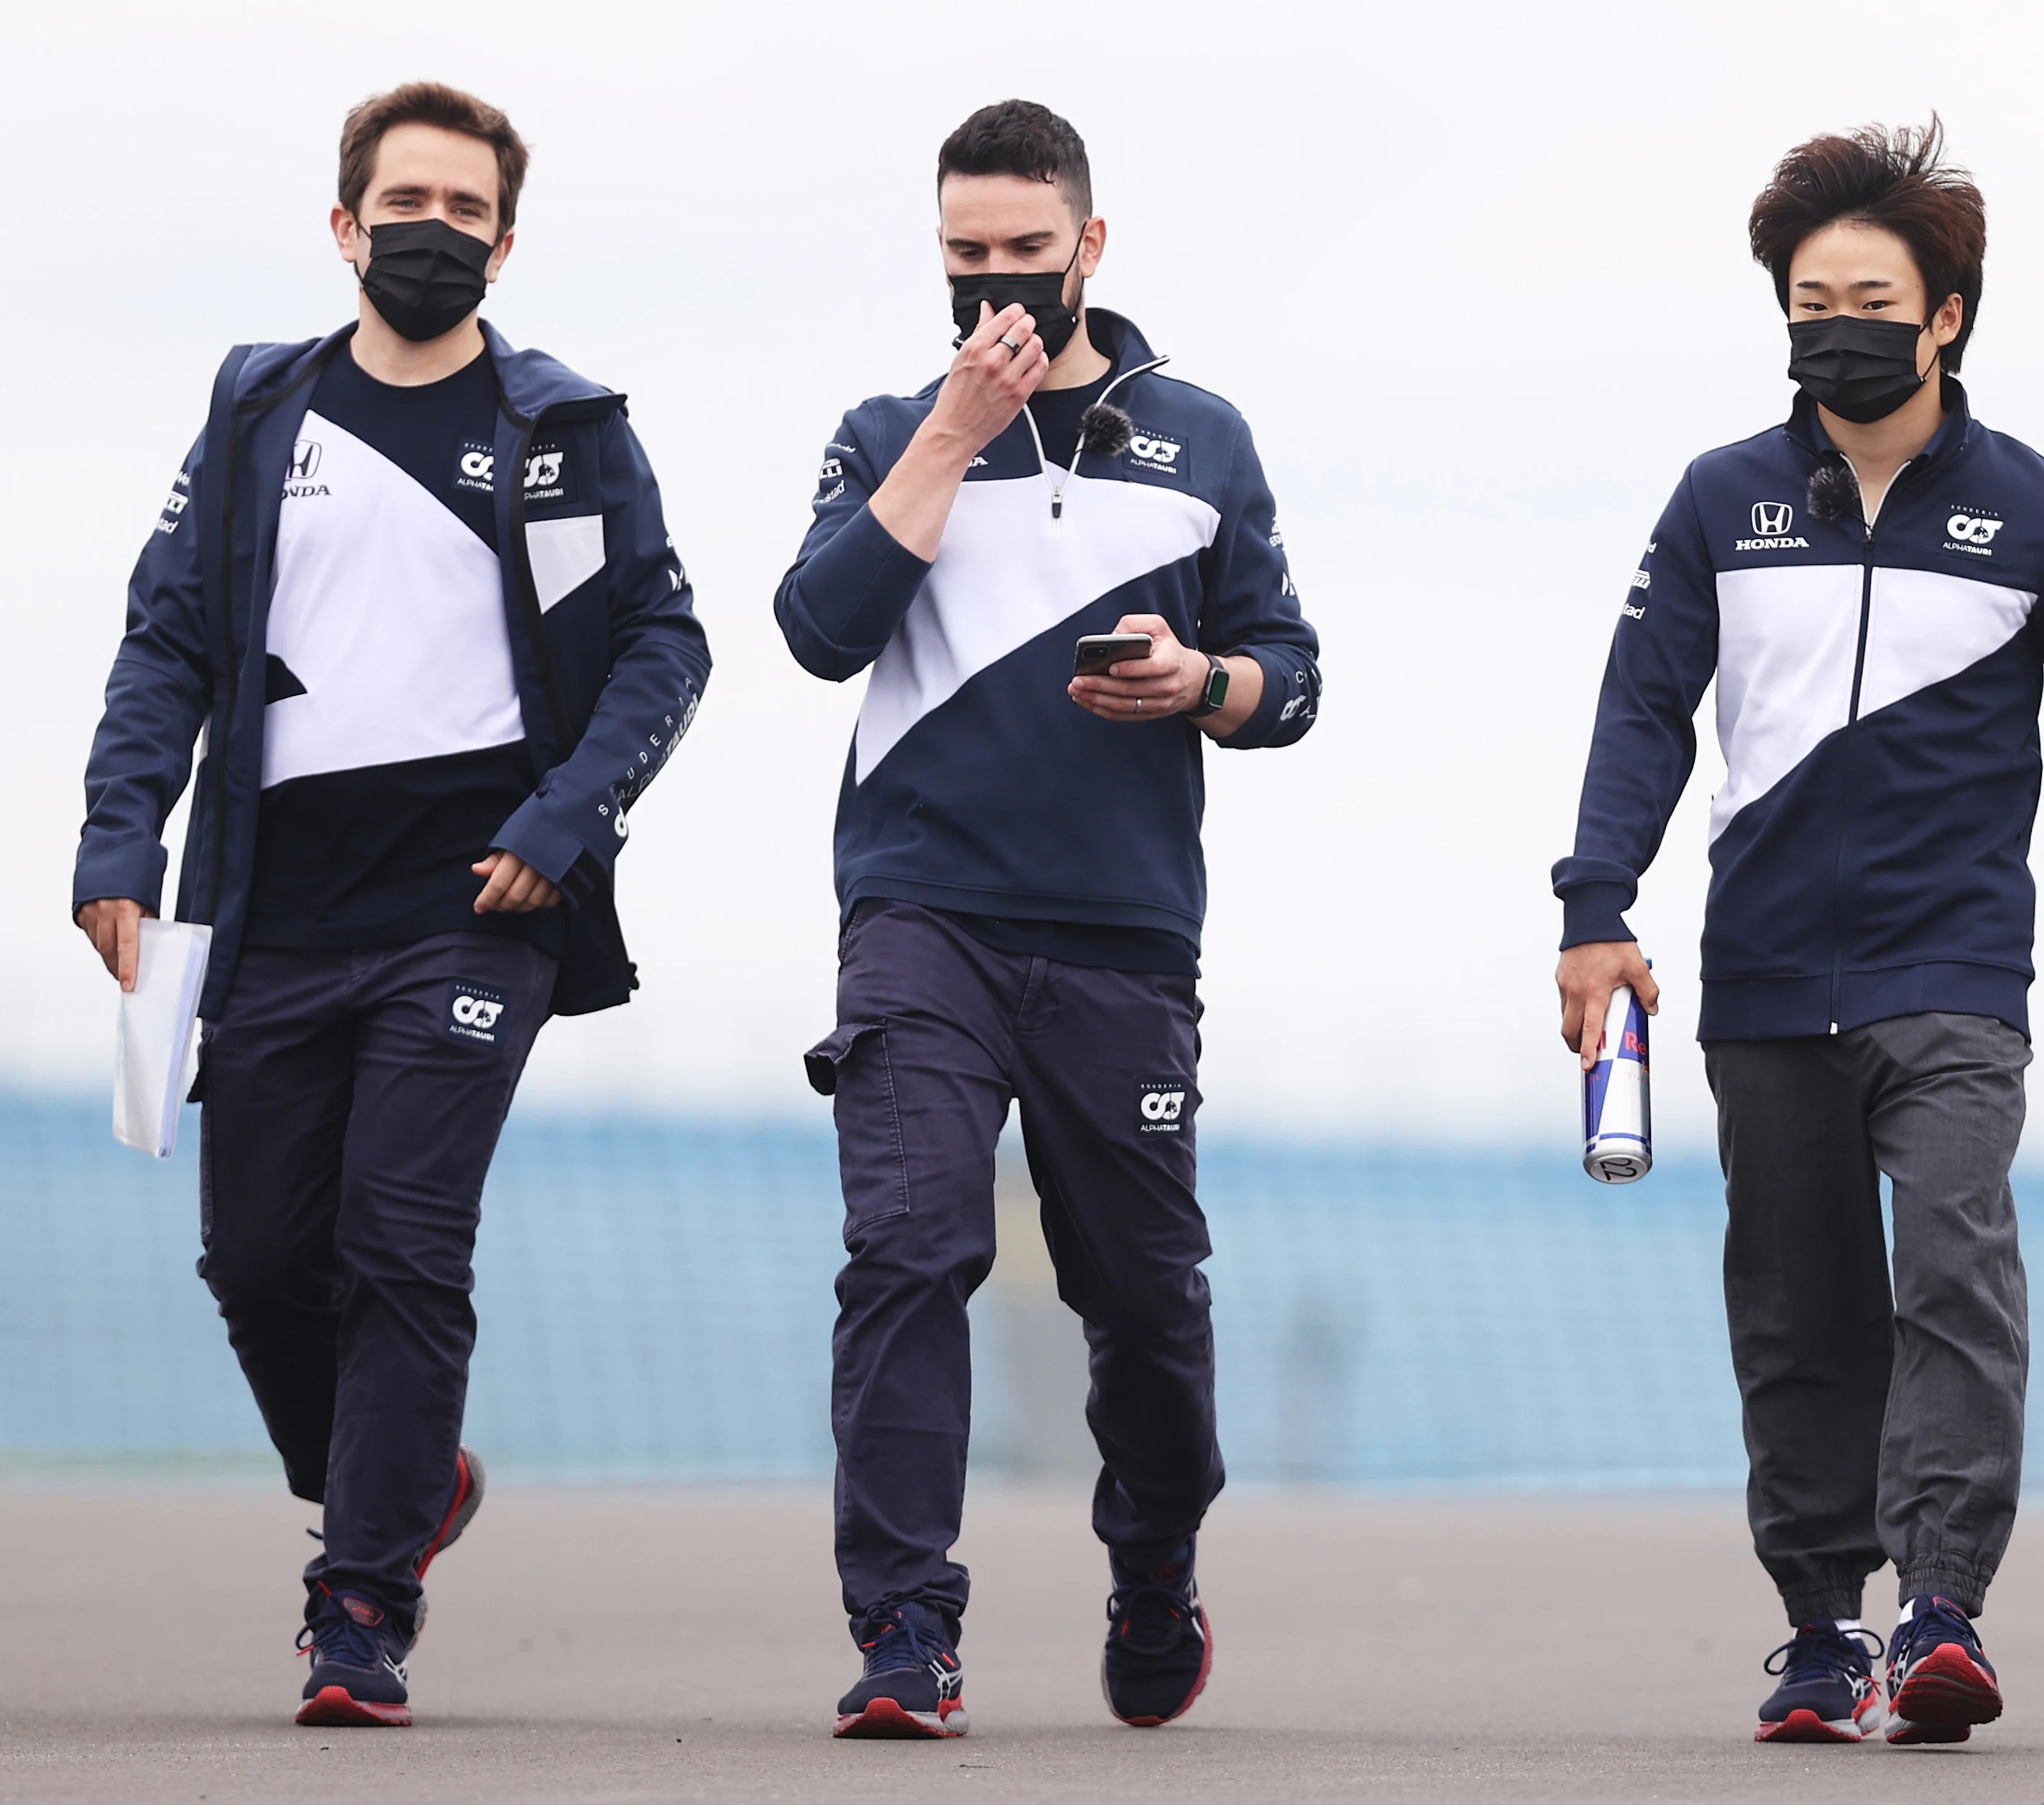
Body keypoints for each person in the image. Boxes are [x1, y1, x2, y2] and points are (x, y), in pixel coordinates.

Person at [1552, 119, 2044, 1747]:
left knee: (1951, 1269)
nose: (1829, 322)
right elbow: (1642, 711)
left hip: (1951, 977)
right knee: (1795, 1305)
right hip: (1762, 979)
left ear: (1944, 316)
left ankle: (1937, 1606)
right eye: (1803, 297)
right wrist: (1593, 910)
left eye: (1865, 293)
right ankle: (1813, 1626)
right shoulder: (1717, 503)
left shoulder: (2043, 516)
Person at [71, 82, 709, 1727]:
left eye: (465, 206)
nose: (434, 228)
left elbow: (663, 642)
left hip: (471, 913)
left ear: (506, 237)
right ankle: (398, 1477)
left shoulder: (568, 431)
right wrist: (117, 840)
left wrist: (561, 821)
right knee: (261, 1255)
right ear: (345, 223)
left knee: (399, 1244)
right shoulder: (257, 413)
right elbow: (164, 641)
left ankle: (358, 1603)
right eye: (402, 201)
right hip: (273, 913)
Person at [774, 98, 1320, 1740]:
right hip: (920, 916)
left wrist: (1199, 682)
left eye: (1025, 250)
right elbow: (814, 627)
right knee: (906, 1249)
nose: (996, 278)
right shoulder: (886, 429)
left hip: (1120, 940)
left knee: (1145, 1298)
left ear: (1090, 244)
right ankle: (904, 1629)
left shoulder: (1204, 439)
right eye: (965, 255)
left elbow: (1290, 672)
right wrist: (947, 434)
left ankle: (1152, 1550)